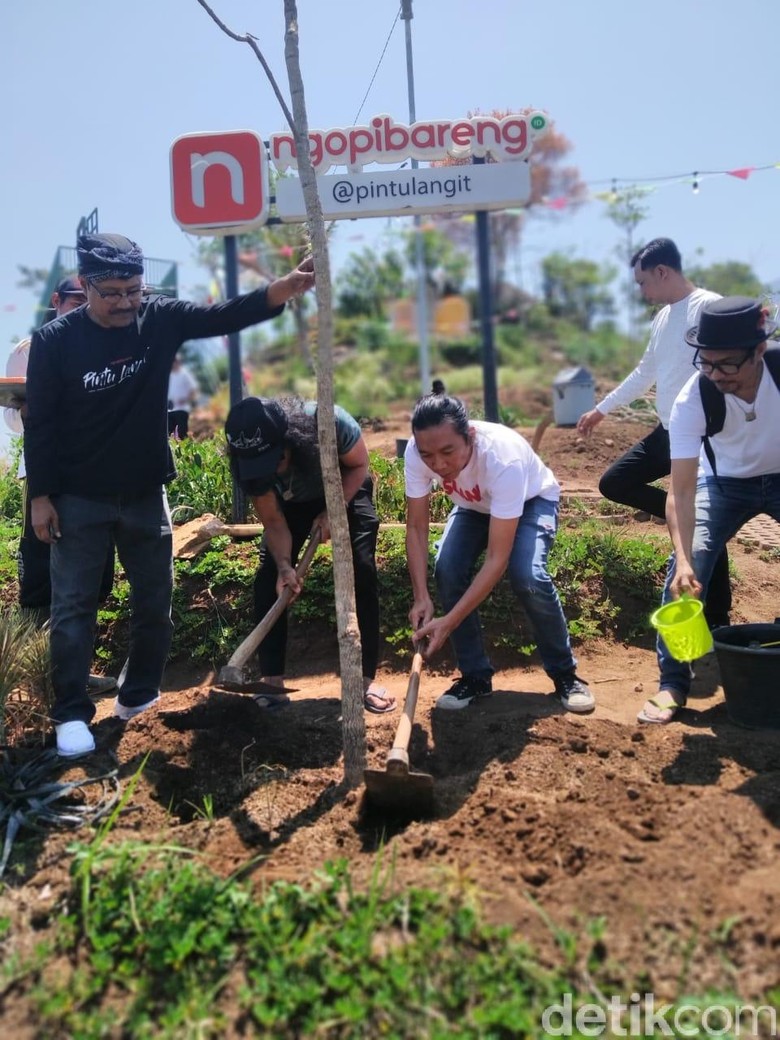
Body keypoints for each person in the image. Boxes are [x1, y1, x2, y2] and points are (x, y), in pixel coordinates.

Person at [24, 233, 314, 758]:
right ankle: (70, 713)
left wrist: (285, 289)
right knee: (74, 608)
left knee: (155, 603)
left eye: (133, 290)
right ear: (86, 286)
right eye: (111, 293)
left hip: (143, 492)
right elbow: (39, 421)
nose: (125, 303)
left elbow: (223, 315)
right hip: (78, 497)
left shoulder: (157, 319)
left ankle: (137, 699)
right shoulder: (55, 341)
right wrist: (40, 496)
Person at [405, 389, 594, 713]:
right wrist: (421, 595)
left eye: (448, 452)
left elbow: (497, 559)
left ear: (471, 436)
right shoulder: (416, 452)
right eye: (428, 456)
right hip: (473, 507)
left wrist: (448, 622)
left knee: (528, 575)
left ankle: (565, 674)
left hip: (531, 501)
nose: (438, 464)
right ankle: (475, 677)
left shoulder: (502, 458)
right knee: (448, 568)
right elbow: (416, 528)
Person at [576, 238, 731, 628]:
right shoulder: (663, 317)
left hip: (703, 436)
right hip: (666, 431)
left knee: (705, 522)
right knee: (615, 482)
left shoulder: (709, 308)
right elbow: (644, 372)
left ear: (663, 272)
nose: (641, 291)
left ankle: (718, 617)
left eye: (643, 282)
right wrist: (601, 409)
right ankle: (678, 510)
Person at [639, 296, 780, 723]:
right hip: (722, 484)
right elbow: (679, 491)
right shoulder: (695, 396)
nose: (716, 375)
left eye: (727, 366)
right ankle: (673, 684)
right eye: (707, 363)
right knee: (687, 569)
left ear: (758, 351)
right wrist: (684, 560)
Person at [225, 396, 396, 714]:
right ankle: (272, 682)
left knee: (361, 567)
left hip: (346, 483)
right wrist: (285, 567)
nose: (269, 471)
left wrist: (335, 508)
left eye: (274, 460)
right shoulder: (253, 472)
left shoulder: (329, 424)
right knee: (267, 581)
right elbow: (275, 523)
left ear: (289, 440)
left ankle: (364, 679)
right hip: (291, 502)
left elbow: (360, 464)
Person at [4, 275, 117, 696]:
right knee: (40, 569)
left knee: (93, 574)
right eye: (74, 302)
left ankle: (75, 673)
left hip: (94, 473)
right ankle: (31, 675)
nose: (81, 309)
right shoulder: (30, 349)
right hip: (46, 474)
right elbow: (14, 421)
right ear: (56, 301)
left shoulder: (102, 345)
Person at [167, 355, 199, 438]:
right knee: (168, 433)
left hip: (182, 409)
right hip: (170, 410)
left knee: (182, 434)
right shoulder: (169, 375)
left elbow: (194, 391)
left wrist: (185, 400)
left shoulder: (185, 375)